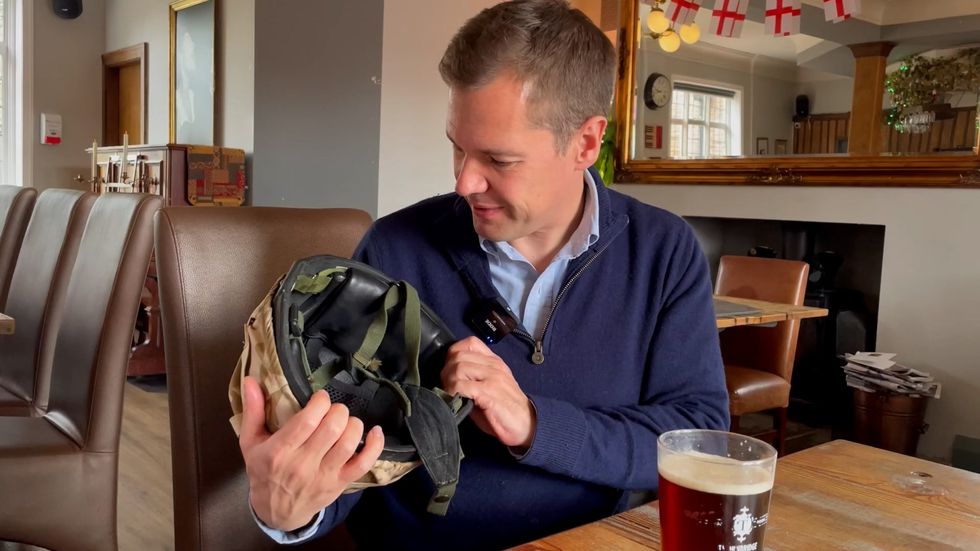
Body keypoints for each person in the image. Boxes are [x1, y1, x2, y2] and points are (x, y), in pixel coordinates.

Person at [238, 1, 729, 548]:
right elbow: (349, 463)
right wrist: (290, 510)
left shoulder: (663, 251)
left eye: (499, 160)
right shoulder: (395, 249)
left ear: (586, 143)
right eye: (457, 148)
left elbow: (698, 439)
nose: (465, 182)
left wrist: (535, 424)